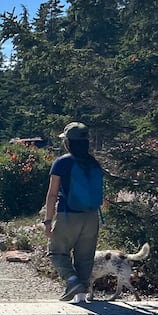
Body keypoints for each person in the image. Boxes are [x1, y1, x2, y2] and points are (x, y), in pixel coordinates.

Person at [43, 121, 104, 303]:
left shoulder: (62, 162)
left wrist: (48, 221)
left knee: (57, 252)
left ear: (68, 142)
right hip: (91, 215)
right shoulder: (94, 163)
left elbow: (52, 194)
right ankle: (81, 296)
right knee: (85, 258)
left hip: (68, 214)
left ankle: (72, 281)